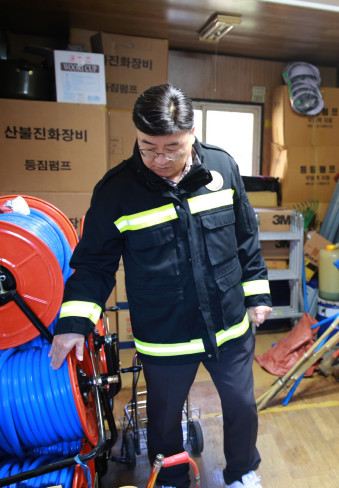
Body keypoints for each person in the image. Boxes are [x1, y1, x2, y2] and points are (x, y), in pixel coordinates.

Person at [49, 83, 271, 488]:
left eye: (172, 148)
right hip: (166, 331)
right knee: (164, 419)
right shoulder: (115, 191)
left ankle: (242, 472)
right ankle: (170, 480)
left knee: (241, 405)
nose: (159, 159)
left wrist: (257, 292)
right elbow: (94, 264)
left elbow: (245, 235)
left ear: (192, 135)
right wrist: (74, 321)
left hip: (228, 322)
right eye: (147, 147)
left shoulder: (222, 167)